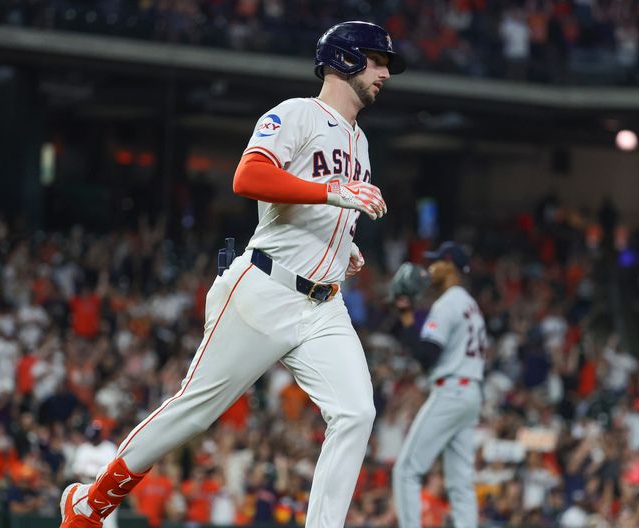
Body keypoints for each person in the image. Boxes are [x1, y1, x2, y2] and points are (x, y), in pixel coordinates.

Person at [59, 20, 405, 528]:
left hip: (322, 305)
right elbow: (249, 177)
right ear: (346, 60)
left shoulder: (362, 142)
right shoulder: (296, 113)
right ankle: (92, 503)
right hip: (265, 288)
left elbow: (321, 206)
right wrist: (334, 194)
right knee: (195, 411)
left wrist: (345, 242)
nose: (386, 74)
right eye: (378, 61)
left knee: (356, 413)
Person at [391, 242, 486, 528]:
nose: (430, 269)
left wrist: (407, 316)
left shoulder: (447, 303)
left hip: (452, 390)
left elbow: (426, 356)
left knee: (405, 471)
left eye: (436, 263)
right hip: (471, 393)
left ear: (450, 266)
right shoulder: (471, 305)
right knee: (460, 482)